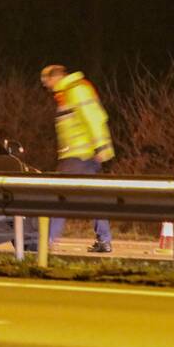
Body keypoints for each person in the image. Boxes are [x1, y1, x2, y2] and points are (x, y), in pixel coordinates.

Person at [40, 64, 115, 252]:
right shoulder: (68, 93)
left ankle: (46, 241)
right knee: (95, 198)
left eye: (46, 80)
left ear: (56, 77)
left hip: (79, 155)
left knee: (60, 198)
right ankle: (104, 240)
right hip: (81, 154)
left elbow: (93, 118)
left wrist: (101, 146)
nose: (45, 85)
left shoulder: (76, 90)